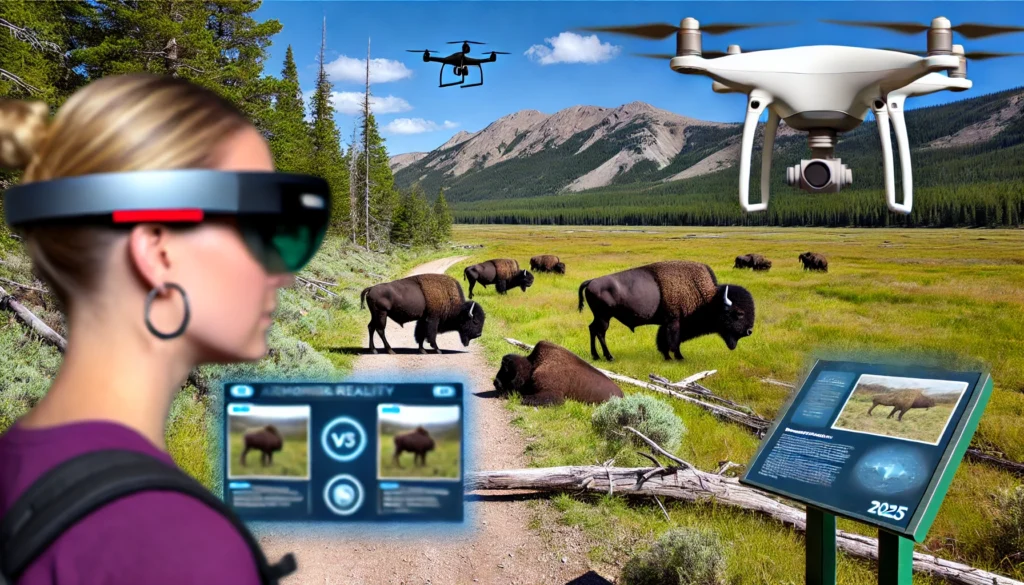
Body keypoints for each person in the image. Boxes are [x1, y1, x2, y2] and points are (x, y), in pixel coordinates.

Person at [0, 73, 301, 584]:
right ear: (158, 251)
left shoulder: (16, 466)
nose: (284, 272)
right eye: (259, 230)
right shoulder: (181, 550)